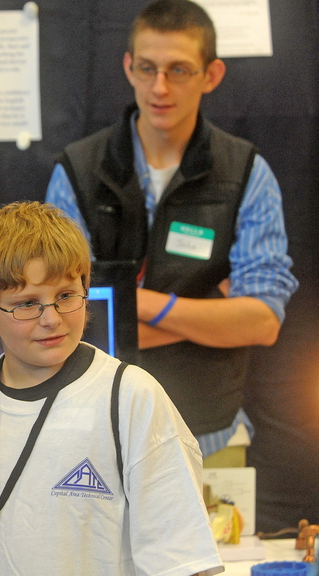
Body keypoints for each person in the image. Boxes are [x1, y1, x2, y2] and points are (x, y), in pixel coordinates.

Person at [0, 201, 223, 576]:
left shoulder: (132, 398)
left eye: (66, 296)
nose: (51, 319)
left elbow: (185, 562)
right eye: (26, 304)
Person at [46, 0, 298, 466]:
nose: (160, 87)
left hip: (211, 434)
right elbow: (58, 319)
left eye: (179, 70)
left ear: (211, 74)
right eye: (148, 68)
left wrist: (129, 304)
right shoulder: (78, 170)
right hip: (94, 432)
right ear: (129, 67)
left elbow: (262, 322)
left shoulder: (246, 173)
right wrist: (212, 315)